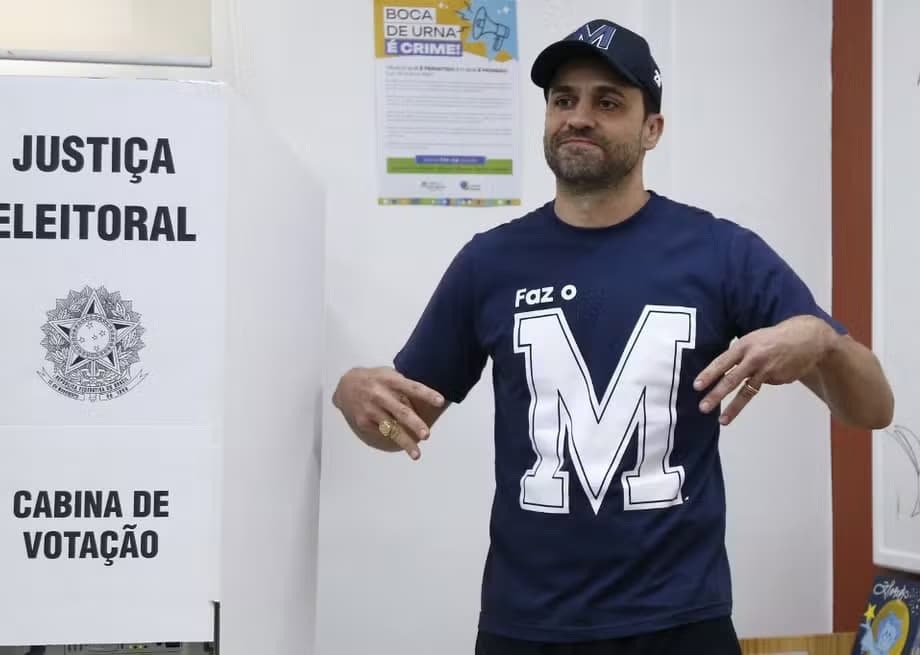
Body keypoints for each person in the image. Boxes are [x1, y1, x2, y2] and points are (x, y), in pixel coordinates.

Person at [331, 17, 894, 655]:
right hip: (527, 626)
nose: (579, 117)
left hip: (681, 624)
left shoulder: (720, 252)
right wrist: (351, 393)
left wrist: (823, 340)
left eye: (608, 102)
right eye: (563, 100)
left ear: (652, 129)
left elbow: (873, 409)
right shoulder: (489, 262)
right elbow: (401, 424)